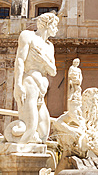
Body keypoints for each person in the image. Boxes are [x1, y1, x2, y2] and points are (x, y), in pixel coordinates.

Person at [7, 12, 59, 144]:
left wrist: (43, 60)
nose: (57, 29)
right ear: (47, 24)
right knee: (31, 125)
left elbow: (53, 71)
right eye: (55, 25)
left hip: (42, 87)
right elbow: (19, 60)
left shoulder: (50, 46)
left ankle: (31, 151)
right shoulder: (27, 36)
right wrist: (18, 85)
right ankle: (16, 151)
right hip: (30, 80)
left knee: (44, 130)